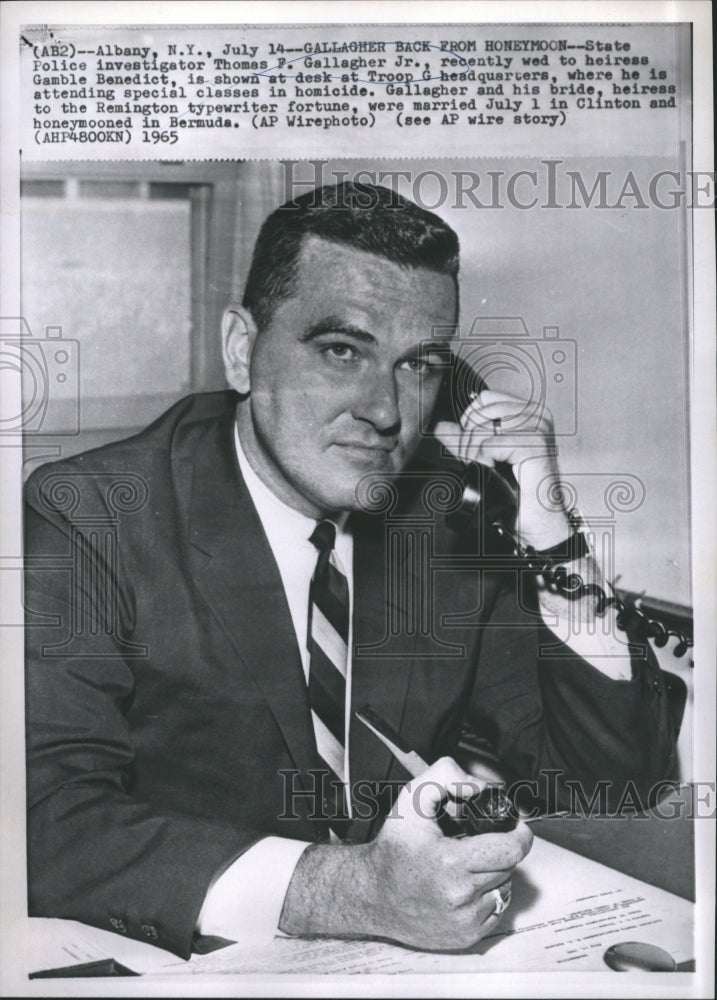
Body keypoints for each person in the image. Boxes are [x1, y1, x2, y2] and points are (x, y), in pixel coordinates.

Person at [24, 181, 678, 960]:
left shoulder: (441, 519)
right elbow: (47, 817)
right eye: (342, 350)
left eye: (419, 364)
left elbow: (610, 780)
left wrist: (551, 533)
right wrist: (352, 891)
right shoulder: (91, 513)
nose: (385, 411)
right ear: (242, 350)